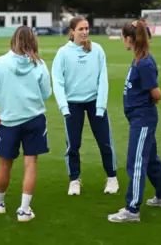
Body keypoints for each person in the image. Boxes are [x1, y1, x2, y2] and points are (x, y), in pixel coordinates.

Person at [0, 26, 53, 222]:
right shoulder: (39, 64)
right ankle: (24, 209)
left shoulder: (0, 63)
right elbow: (47, 93)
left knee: (5, 164)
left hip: (9, 121)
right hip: (35, 119)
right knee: (30, 164)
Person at [108, 21, 161, 223]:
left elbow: (157, 93)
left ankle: (132, 209)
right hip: (139, 117)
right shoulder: (139, 59)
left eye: (122, 37)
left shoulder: (144, 63)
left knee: (135, 162)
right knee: (150, 158)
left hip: (143, 119)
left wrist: (152, 99)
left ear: (129, 39)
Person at [52, 16, 118, 196]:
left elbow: (103, 79)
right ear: (72, 31)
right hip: (73, 105)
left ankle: (112, 177)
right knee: (73, 145)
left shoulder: (97, 50)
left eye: (87, 28)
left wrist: (101, 106)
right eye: (81, 29)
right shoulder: (63, 53)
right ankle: (74, 180)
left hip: (95, 102)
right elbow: (57, 82)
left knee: (105, 142)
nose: (85, 32)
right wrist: (64, 107)